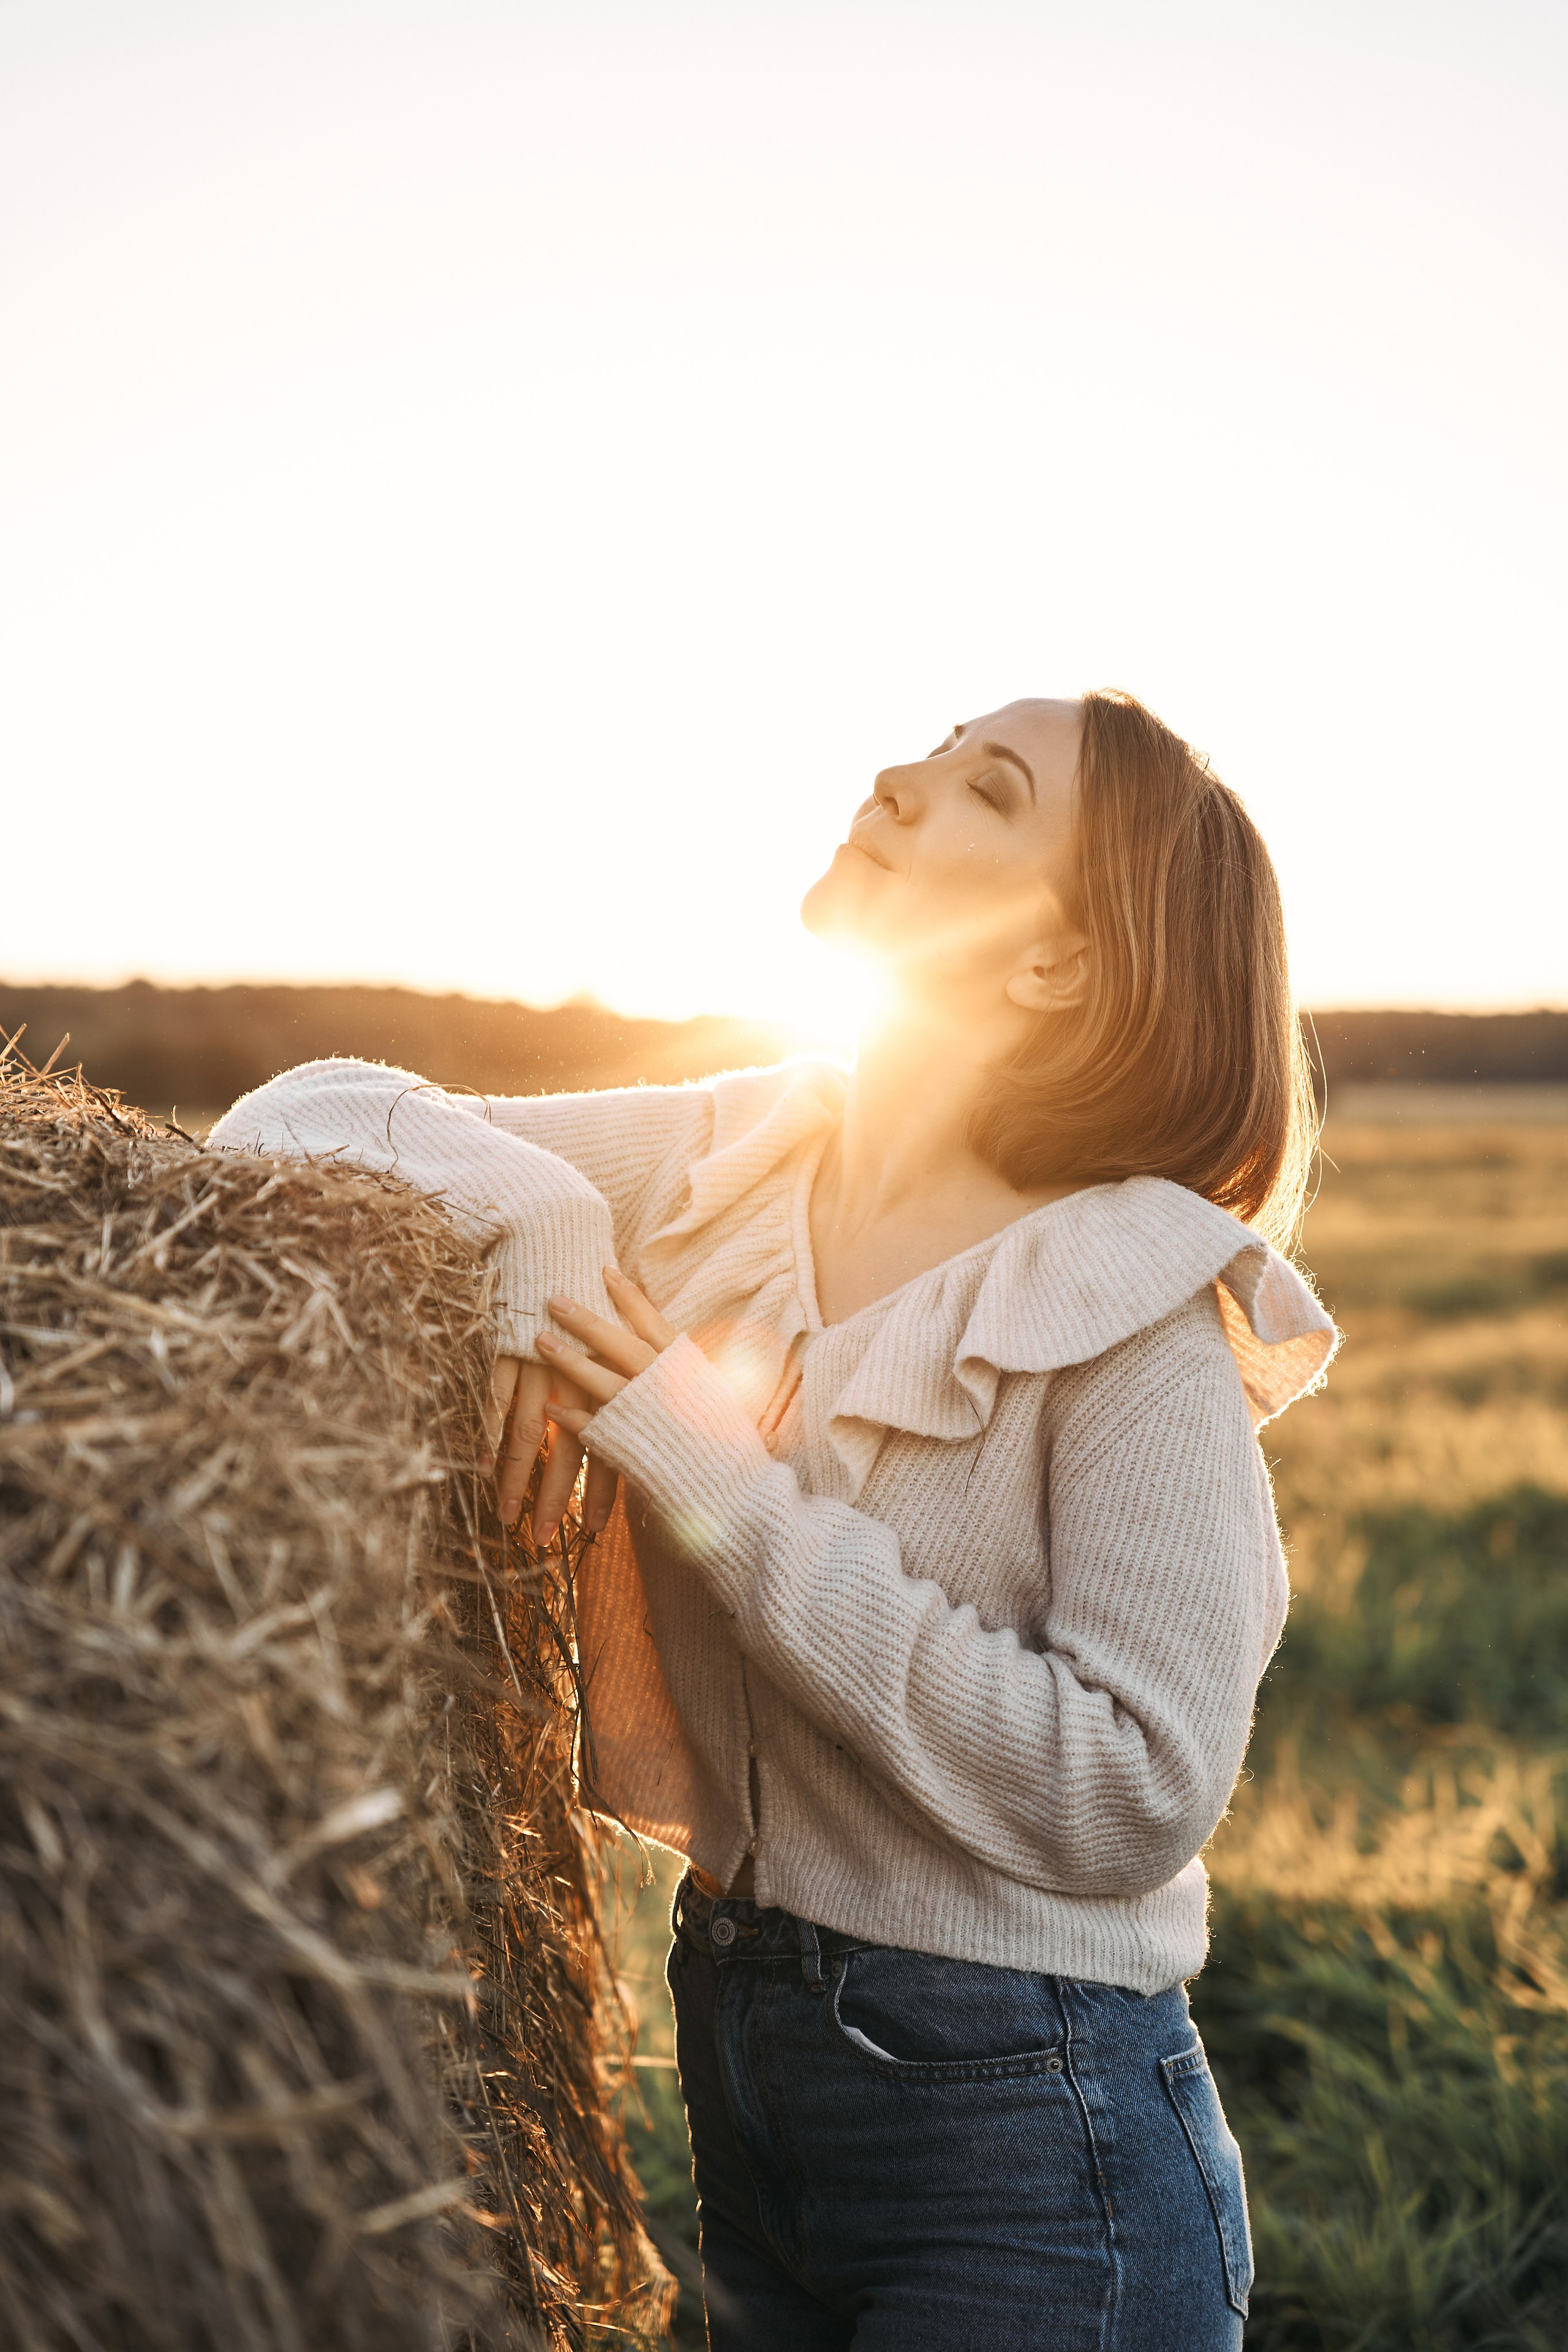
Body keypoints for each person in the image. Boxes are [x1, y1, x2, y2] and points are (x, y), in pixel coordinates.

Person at [211, 691, 1336, 2350]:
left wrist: (703, 1460)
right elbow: (297, 1121)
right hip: (746, 2069)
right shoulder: (735, 1159)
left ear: (1052, 963)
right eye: (940, 748)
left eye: (986, 789)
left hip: (1038, 2149)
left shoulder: (1130, 1303)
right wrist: (542, 1232)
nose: (902, 777)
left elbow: (1133, 1793)